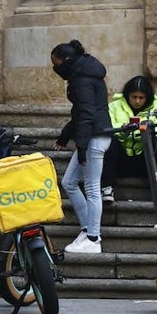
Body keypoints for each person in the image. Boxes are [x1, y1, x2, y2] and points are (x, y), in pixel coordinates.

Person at [51, 39, 112, 255]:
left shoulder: (82, 79)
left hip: (94, 137)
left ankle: (93, 238)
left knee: (92, 188)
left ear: (66, 61)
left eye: (56, 63)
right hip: (94, 135)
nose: (55, 69)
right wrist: (65, 136)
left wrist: (82, 146)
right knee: (69, 182)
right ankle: (87, 230)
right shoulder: (85, 73)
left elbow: (86, 114)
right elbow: (80, 113)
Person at [102, 76, 157, 206]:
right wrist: (124, 131)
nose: (137, 101)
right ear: (127, 95)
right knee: (109, 142)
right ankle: (107, 187)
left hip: (145, 160)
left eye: (141, 98)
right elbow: (108, 127)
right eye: (134, 97)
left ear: (148, 98)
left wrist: (146, 133)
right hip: (121, 160)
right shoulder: (113, 107)